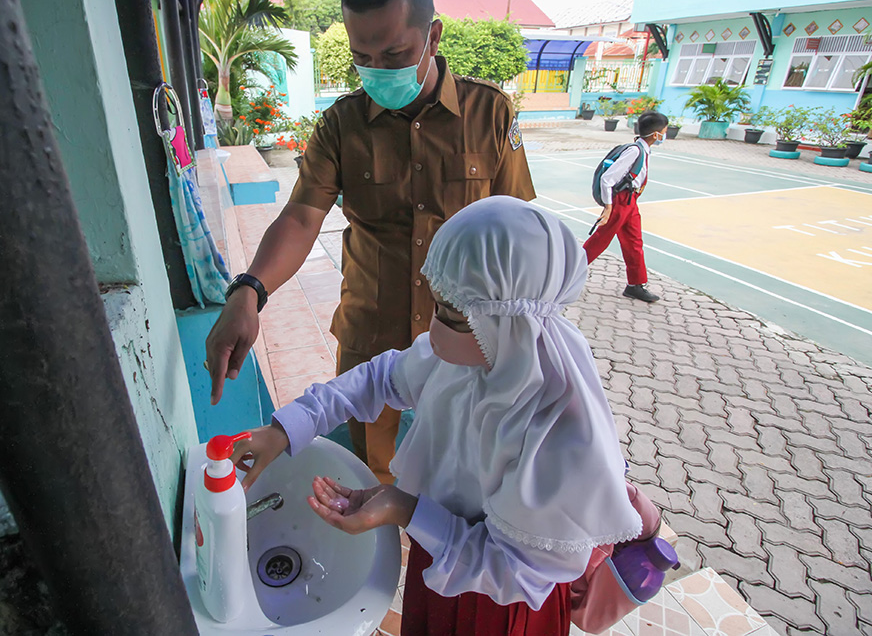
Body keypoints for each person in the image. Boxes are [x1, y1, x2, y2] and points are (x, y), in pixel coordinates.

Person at [230, 197, 642, 636]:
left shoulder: (557, 431)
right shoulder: (470, 360)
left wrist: (408, 510)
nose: (432, 325)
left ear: (506, 323)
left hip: (500, 610)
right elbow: (381, 377)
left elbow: (518, 571)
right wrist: (288, 426)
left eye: (451, 312)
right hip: (442, 563)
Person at [204, 0, 535, 483]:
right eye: (364, 56)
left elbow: (520, 231)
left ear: (433, 36)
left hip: (469, 338)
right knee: (369, 481)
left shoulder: (489, 114)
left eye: (395, 53)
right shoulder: (341, 126)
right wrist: (249, 291)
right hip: (371, 337)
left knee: (469, 478)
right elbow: (301, 218)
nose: (377, 71)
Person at [582, 110, 668, 303]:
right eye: (664, 131)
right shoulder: (634, 151)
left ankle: (636, 285)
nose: (665, 134)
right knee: (599, 240)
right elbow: (607, 179)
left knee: (634, 242)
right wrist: (609, 206)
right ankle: (564, 275)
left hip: (631, 201)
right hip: (620, 201)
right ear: (656, 134)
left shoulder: (644, 149)